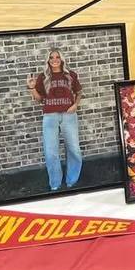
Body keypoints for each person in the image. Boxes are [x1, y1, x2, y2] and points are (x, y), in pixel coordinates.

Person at [26, 49, 83, 191]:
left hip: (68, 115)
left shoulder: (70, 75)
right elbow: (39, 100)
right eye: (51, 57)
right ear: (48, 60)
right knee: (51, 151)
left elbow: (79, 92)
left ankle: (72, 180)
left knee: (74, 149)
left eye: (57, 57)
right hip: (50, 116)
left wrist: (75, 105)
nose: (55, 60)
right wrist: (32, 88)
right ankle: (55, 183)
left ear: (62, 59)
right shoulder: (43, 77)